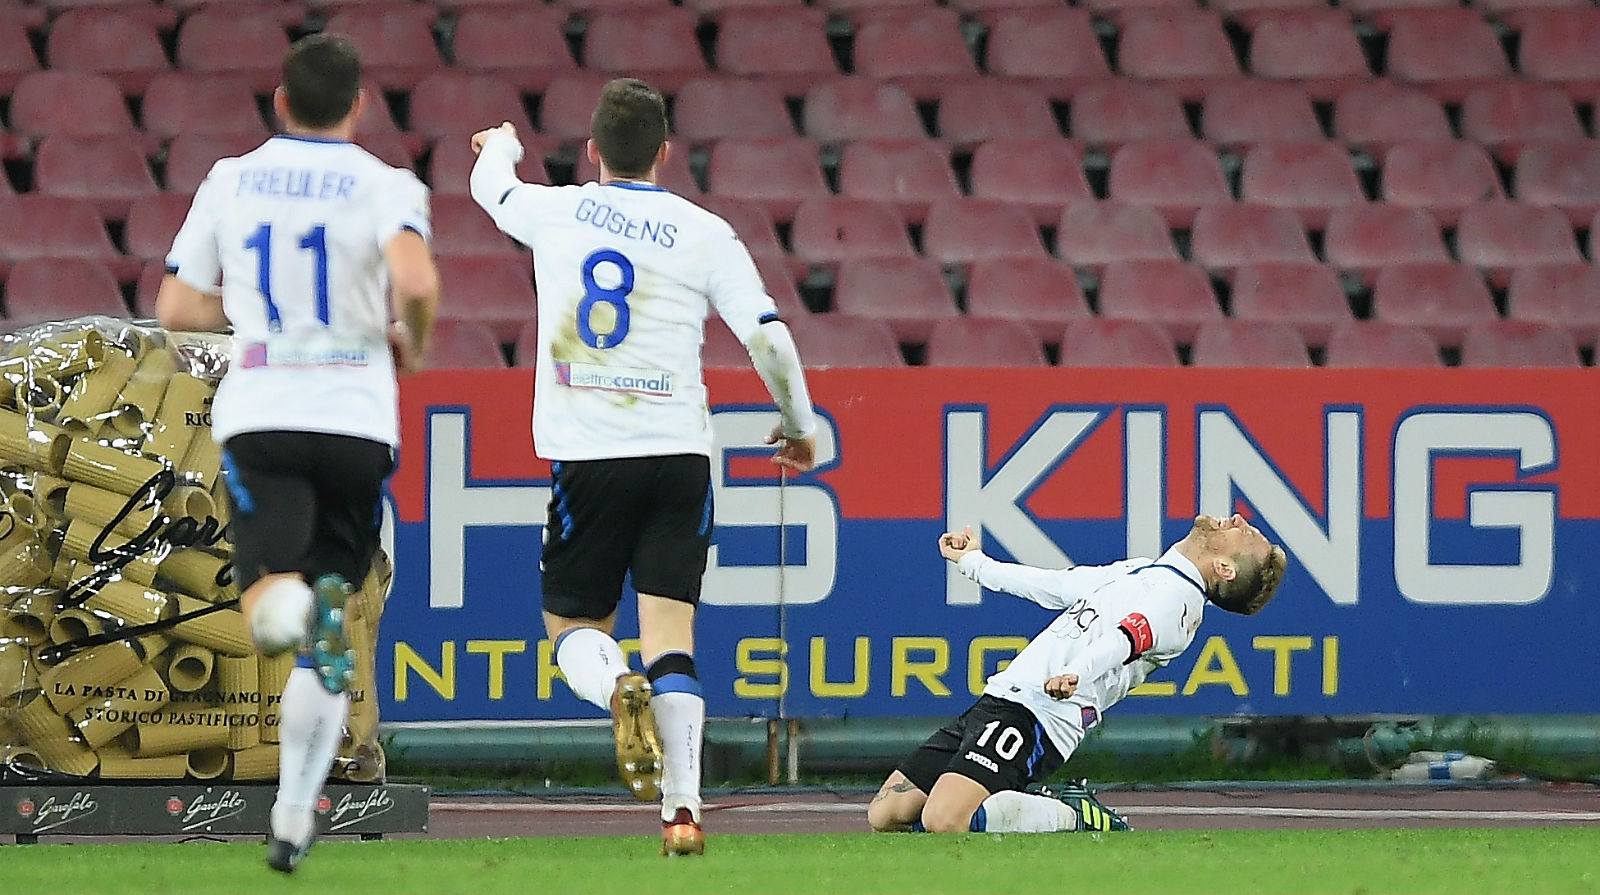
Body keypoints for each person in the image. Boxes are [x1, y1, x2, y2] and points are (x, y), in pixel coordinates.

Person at [467, 78, 819, 857]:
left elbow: (491, 190)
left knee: (573, 628)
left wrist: (502, 145)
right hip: (679, 456)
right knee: (674, 633)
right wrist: (799, 424)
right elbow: (770, 338)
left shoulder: (556, 211)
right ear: (665, 153)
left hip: (588, 458)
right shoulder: (705, 232)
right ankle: (683, 810)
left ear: (592, 151)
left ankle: (613, 686)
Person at [156, 33, 439, 874]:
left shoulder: (230, 179)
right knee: (331, 602)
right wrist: (407, 343)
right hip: (357, 421)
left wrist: (248, 319)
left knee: (269, 606)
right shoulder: (388, 184)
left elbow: (174, 304)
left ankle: (296, 619)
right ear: (358, 106)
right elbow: (417, 285)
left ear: (279, 101)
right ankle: (290, 818)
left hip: (266, 411)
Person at [868, 514, 1288, 835]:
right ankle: (1007, 804)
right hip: (1003, 698)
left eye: (1245, 533)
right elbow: (1054, 586)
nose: (1236, 520)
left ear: (1225, 569)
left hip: (1039, 715)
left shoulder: (1181, 606)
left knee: (944, 820)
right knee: (885, 813)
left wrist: (1075, 672)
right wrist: (973, 563)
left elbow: (1127, 639)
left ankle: (1072, 814)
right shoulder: (1144, 571)